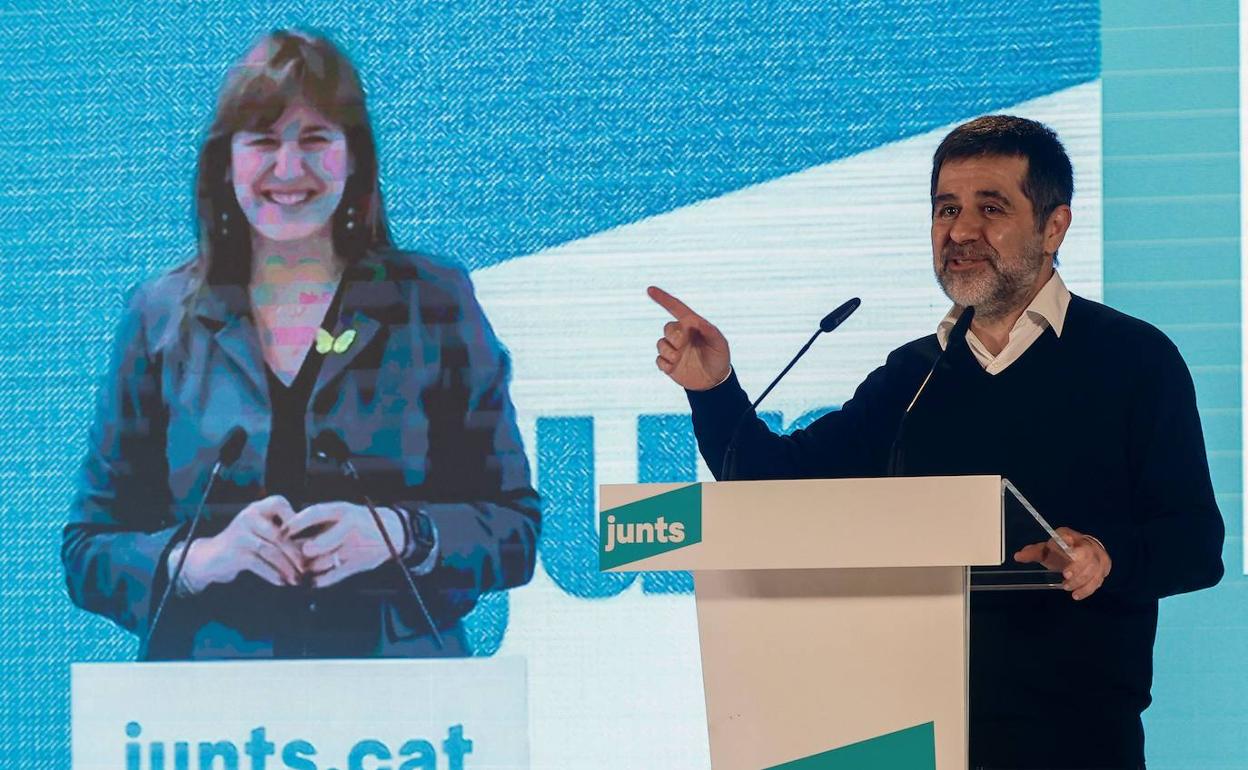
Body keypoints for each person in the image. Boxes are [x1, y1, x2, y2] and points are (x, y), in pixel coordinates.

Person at [649, 115, 1224, 769]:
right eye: (946, 209)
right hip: (908, 736)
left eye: (991, 208)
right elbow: (771, 487)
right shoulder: (916, 373)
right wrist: (715, 388)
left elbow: (1195, 544)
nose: (960, 232)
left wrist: (1104, 556)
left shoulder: (1133, 359)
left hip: (1073, 743)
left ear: (1054, 226)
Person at [62, 30, 540, 660]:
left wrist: (401, 534)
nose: (289, 170)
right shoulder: (159, 317)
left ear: (354, 159)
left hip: (402, 718)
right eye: (262, 141)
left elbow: (515, 529)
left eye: (315, 140)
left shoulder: (434, 302)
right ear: (226, 162)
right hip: (211, 723)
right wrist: (199, 559)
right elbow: (88, 550)